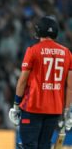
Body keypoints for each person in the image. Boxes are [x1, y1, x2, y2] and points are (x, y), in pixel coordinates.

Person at [9, 16, 72, 149]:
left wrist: (16, 104)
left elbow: (22, 81)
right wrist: (67, 111)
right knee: (44, 146)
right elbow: (70, 87)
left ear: (39, 31)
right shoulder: (67, 53)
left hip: (33, 107)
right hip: (54, 109)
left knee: (29, 146)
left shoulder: (33, 50)